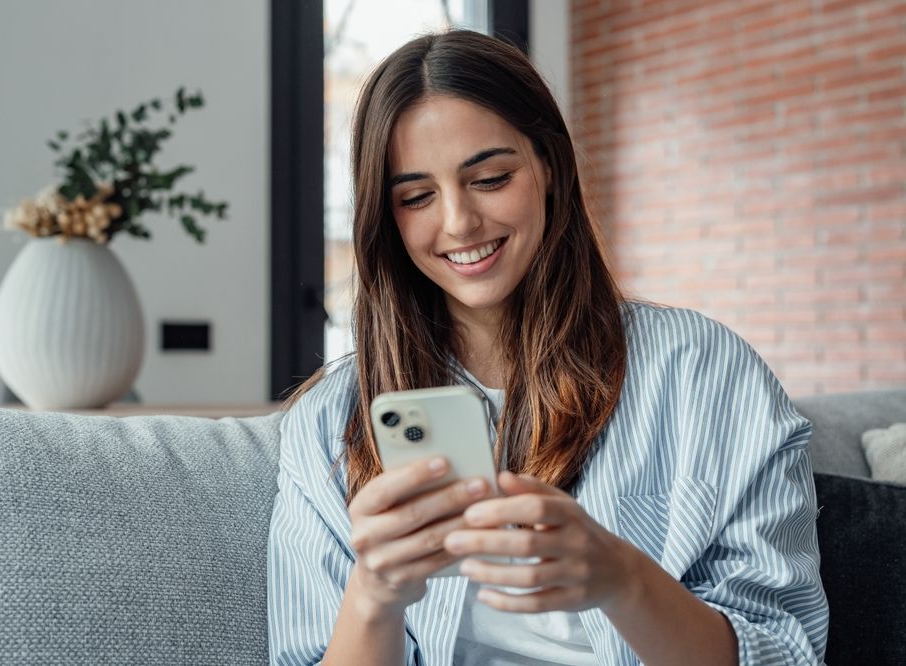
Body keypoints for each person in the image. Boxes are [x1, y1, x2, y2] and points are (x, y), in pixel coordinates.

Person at [267, 30, 828, 666]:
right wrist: (374, 596)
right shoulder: (328, 426)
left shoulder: (703, 373)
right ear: (386, 218)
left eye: (490, 178)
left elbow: (786, 651)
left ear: (550, 167)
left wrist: (623, 579)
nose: (459, 222)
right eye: (416, 197)